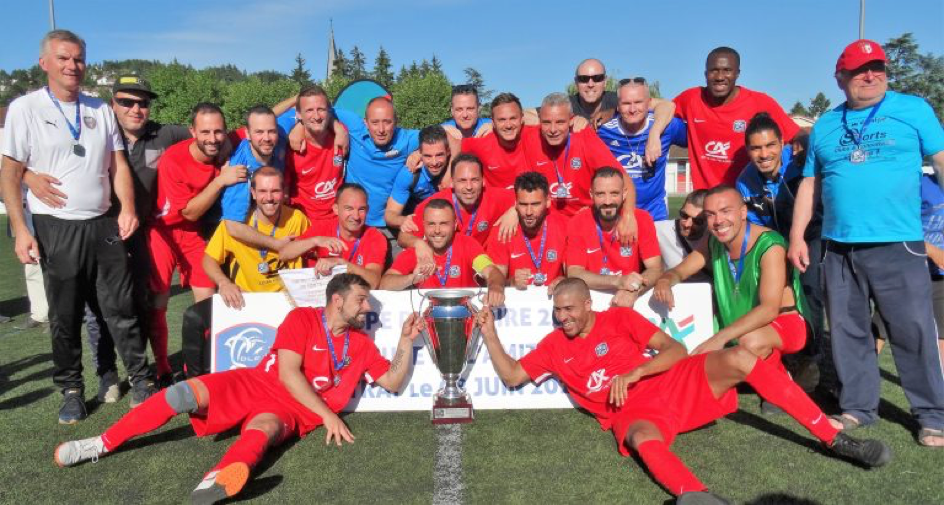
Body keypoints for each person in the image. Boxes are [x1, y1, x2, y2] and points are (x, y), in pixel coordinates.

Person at [477, 277, 890, 504]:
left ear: (588, 305)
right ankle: (696, 496)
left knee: (744, 359)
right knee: (641, 438)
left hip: (672, 382)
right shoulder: (553, 347)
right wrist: (491, 334)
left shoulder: (619, 320)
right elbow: (513, 375)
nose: (561, 316)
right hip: (634, 412)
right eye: (557, 310)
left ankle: (835, 439)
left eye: (569, 308)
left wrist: (637, 372)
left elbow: (675, 350)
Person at [54, 273, 424, 504]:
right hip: (253, 382)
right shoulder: (302, 318)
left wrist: (406, 342)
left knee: (262, 432)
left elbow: (392, 380)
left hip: (291, 411)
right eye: (361, 300)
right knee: (179, 394)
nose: (367, 308)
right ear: (337, 300)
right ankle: (100, 443)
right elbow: (289, 373)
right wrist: (329, 415)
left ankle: (216, 481)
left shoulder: (360, 343)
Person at [788, 40, 944, 446]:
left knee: (912, 331)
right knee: (847, 331)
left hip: (898, 244)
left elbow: (942, 163)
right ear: (840, 78)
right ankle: (858, 407)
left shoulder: (913, 110)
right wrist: (796, 236)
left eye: (877, 68)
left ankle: (932, 415)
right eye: (859, 70)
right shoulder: (824, 125)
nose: (870, 76)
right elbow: (811, 184)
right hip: (838, 247)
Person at [0, 30, 155, 422]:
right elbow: (10, 171)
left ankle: (141, 380)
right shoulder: (25, 108)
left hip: (103, 222)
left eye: (79, 59)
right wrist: (21, 228)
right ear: (45, 63)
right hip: (56, 225)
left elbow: (118, 165)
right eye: (65, 58)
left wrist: (128, 208)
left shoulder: (99, 108)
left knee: (121, 307)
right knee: (65, 314)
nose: (73, 66)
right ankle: (71, 388)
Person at [653, 186, 811, 411]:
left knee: (748, 343)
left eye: (725, 211)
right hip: (738, 324)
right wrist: (665, 280)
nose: (718, 220)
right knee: (699, 349)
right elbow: (680, 271)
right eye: (710, 215)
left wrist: (719, 339)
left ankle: (779, 375)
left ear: (743, 212)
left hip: (782, 324)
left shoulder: (770, 244)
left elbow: (769, 309)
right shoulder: (713, 241)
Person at [148, 103, 247, 385]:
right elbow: (188, 211)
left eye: (218, 131)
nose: (213, 138)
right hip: (164, 231)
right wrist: (220, 181)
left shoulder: (227, 140)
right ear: (192, 131)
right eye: (205, 132)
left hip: (194, 234)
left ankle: (204, 365)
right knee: (158, 301)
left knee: (207, 302)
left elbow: (264, 119)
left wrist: (300, 110)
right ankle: (163, 367)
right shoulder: (173, 160)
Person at [180, 166, 309, 377]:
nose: (269, 198)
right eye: (263, 192)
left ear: (283, 192)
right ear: (253, 193)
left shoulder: (297, 219)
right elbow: (208, 260)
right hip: (244, 300)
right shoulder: (236, 222)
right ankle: (197, 383)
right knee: (193, 316)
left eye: (275, 191)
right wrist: (224, 282)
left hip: (284, 303)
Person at [667, 47, 800, 189]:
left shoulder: (760, 102)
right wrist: (655, 133)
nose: (719, 77)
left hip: (748, 197)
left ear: (737, 73)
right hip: (708, 200)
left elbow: (798, 134)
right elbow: (660, 106)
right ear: (705, 74)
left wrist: (801, 143)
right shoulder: (691, 99)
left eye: (727, 70)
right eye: (714, 70)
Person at [521, 93, 638, 224]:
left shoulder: (584, 137)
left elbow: (624, 179)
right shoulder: (530, 137)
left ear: (571, 120)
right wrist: (491, 125)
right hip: (549, 224)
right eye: (546, 122)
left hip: (584, 222)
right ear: (539, 121)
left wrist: (628, 215)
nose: (553, 129)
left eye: (560, 122)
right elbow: (506, 120)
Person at [380, 198, 506, 307]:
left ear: (455, 224)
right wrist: (412, 278)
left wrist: (495, 288)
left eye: (444, 224)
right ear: (423, 225)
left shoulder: (467, 244)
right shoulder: (417, 251)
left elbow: (491, 271)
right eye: (431, 224)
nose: (437, 230)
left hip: (466, 314)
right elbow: (385, 284)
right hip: (428, 319)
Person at [565, 167, 662, 308]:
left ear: (624, 194)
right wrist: (617, 281)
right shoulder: (578, 221)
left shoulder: (642, 219)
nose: (608, 201)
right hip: (591, 301)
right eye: (600, 194)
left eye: (614, 193)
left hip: (628, 299)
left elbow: (655, 269)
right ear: (591, 194)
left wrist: (633, 290)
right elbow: (574, 272)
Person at [597, 78, 688, 220]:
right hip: (618, 215)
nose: (632, 109)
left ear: (649, 103)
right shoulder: (603, 131)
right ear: (618, 106)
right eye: (626, 104)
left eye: (638, 102)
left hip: (655, 214)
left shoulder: (667, 126)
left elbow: (697, 140)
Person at [281, 183, 388, 289]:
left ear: (368, 210)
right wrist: (315, 241)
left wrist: (341, 263)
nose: (356, 216)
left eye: (361, 209)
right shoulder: (323, 227)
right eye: (349, 208)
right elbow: (284, 254)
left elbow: (374, 282)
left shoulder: (375, 237)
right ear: (336, 209)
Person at [399, 153, 514, 250]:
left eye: (474, 180)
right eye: (462, 181)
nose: (469, 187)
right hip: (448, 268)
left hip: (484, 265)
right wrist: (420, 245)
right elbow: (403, 237)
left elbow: (528, 195)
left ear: (483, 181)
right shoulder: (434, 205)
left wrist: (514, 211)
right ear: (452, 183)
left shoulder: (494, 196)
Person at [486, 172, 568, 291]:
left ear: (548, 202)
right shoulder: (503, 231)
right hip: (518, 305)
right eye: (523, 204)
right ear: (515, 204)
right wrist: (512, 282)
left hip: (556, 302)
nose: (529, 212)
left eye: (535, 204)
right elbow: (495, 282)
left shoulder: (565, 226)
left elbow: (574, 273)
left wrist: (564, 281)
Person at [284, 85, 345, 222]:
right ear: (299, 114)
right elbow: (260, 122)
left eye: (321, 109)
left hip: (337, 221)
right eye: (309, 110)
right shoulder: (291, 147)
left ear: (329, 111)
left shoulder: (342, 136)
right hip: (304, 222)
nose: (316, 116)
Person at [220, 106, 285, 222]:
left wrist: (300, 125)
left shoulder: (281, 139)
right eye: (259, 132)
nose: (266, 138)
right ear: (248, 134)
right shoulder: (240, 170)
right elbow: (233, 225)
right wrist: (275, 241)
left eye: (272, 131)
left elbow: (307, 109)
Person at [460, 93, 537, 190]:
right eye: (501, 120)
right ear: (493, 122)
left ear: (522, 118)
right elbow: (453, 145)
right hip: (499, 204)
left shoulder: (538, 135)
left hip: (532, 203)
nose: (508, 125)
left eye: (513, 118)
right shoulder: (482, 144)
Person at [384, 125, 451, 230]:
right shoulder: (410, 174)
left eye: (439, 155)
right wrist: (403, 220)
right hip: (419, 225)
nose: (434, 162)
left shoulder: (457, 168)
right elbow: (390, 214)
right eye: (428, 156)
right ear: (420, 153)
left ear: (448, 152)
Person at [654, 189, 709, 277]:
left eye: (697, 221)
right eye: (684, 216)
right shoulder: (660, 229)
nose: (687, 224)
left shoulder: (717, 239)